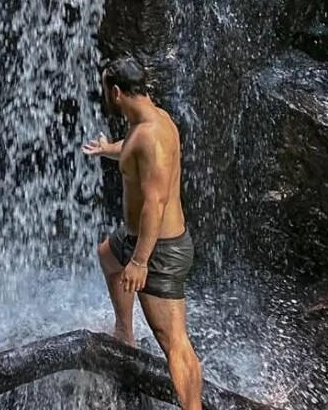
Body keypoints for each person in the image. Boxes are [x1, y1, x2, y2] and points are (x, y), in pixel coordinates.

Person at [83, 56, 202, 410]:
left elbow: (156, 203)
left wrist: (140, 261)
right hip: (136, 237)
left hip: (159, 249)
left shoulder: (153, 137)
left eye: (106, 88)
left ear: (116, 92)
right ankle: (124, 332)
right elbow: (133, 147)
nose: (105, 94)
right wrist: (108, 149)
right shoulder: (147, 120)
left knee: (175, 343)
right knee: (107, 254)